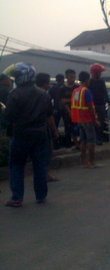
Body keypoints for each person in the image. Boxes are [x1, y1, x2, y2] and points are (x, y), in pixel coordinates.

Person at [4, 63, 54, 207]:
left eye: (17, 75)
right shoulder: (43, 94)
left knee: (16, 166)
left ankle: (17, 198)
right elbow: (49, 113)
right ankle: (41, 196)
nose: (15, 78)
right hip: (40, 134)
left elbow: (8, 116)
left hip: (20, 134)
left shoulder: (14, 94)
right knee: (39, 165)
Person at [71, 71, 100, 168]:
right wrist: (95, 119)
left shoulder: (76, 91)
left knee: (83, 141)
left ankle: (84, 162)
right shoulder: (86, 91)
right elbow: (90, 106)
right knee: (91, 141)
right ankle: (91, 162)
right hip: (87, 119)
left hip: (79, 119)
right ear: (87, 80)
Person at [35, 73, 60, 182]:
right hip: (43, 128)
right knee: (47, 152)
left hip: (30, 129)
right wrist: (55, 130)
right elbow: (49, 116)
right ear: (45, 83)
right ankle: (46, 174)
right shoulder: (44, 95)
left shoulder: (30, 94)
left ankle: (41, 174)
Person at [89, 63, 108, 145]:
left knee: (101, 122)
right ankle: (96, 139)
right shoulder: (89, 82)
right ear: (94, 73)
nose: (100, 74)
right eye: (99, 72)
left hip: (101, 105)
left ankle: (99, 138)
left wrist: (108, 102)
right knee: (94, 123)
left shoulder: (101, 81)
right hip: (92, 106)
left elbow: (105, 93)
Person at [59, 69, 79, 148]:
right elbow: (62, 101)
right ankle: (69, 144)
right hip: (66, 111)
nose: (72, 79)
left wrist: (69, 100)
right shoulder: (62, 88)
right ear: (66, 77)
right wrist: (69, 109)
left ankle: (77, 143)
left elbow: (77, 100)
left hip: (76, 110)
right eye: (71, 77)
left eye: (74, 77)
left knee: (77, 127)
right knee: (68, 127)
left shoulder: (77, 87)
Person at [48, 74, 64, 149]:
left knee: (55, 126)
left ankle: (55, 143)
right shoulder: (64, 87)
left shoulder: (53, 88)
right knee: (67, 126)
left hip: (56, 109)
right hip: (64, 108)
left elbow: (49, 98)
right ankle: (67, 142)